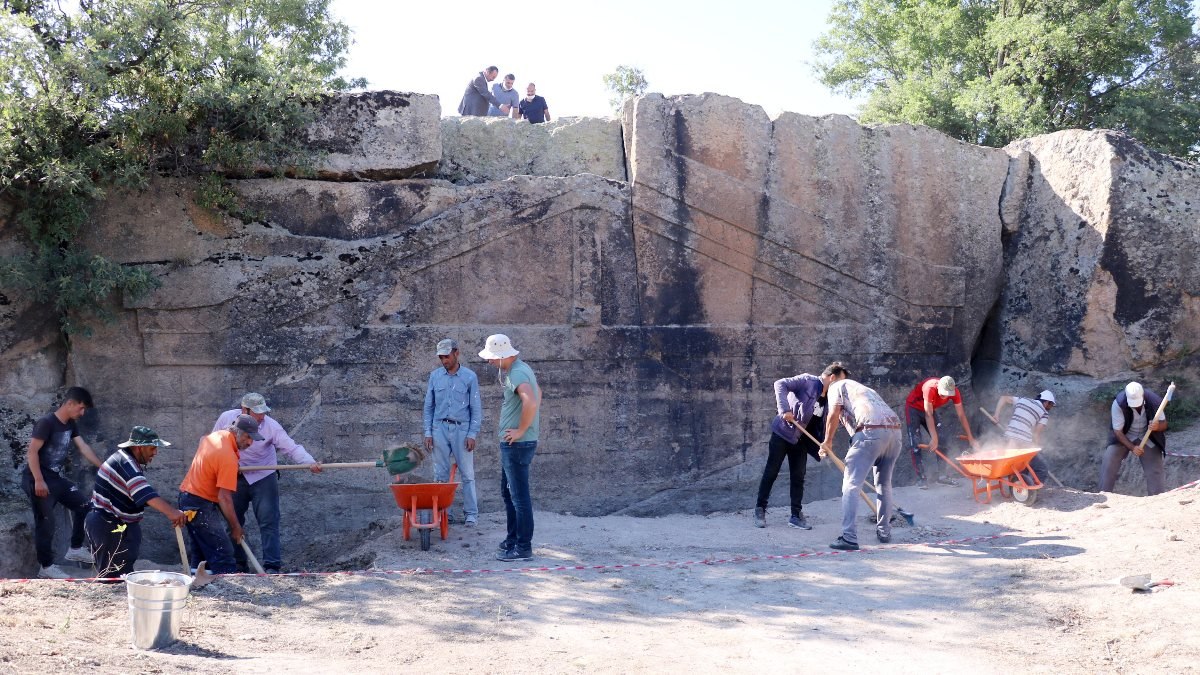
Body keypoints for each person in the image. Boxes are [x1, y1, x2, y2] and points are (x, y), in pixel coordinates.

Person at [213, 393, 320, 573]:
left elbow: (291, 447)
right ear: (244, 409)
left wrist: (309, 462)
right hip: (234, 474)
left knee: (268, 520)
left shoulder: (271, 426)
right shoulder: (226, 418)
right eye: (257, 412)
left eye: (264, 412)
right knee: (233, 520)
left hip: (263, 475)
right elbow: (215, 443)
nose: (262, 416)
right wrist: (219, 469)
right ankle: (238, 565)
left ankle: (272, 565)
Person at [818, 363, 902, 550]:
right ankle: (884, 531)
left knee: (851, 484)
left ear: (832, 377)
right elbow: (850, 422)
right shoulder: (866, 390)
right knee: (884, 484)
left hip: (871, 431)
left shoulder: (836, 386)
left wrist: (827, 442)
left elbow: (833, 414)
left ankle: (849, 537)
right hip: (895, 432)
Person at [20, 387, 102, 579]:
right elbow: (31, 452)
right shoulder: (46, 423)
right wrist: (39, 481)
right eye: (80, 408)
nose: (82, 413)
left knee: (86, 506)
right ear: (69, 403)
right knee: (46, 523)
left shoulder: (70, 424)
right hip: (37, 479)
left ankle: (74, 548)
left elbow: (83, 447)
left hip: (55, 479)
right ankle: (46, 567)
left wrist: (103, 467)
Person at [86, 426, 188, 579]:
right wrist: (173, 513)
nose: (155, 452)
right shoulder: (126, 464)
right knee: (113, 580)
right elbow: (145, 494)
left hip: (118, 523)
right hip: (108, 525)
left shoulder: (127, 460)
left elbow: (139, 494)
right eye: (152, 448)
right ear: (139, 448)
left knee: (124, 575)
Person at [479, 334, 541, 562]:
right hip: (515, 443)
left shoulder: (516, 372)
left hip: (517, 444)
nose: (490, 362)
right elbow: (538, 394)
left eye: (492, 358)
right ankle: (513, 539)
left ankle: (523, 547)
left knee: (518, 496)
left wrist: (521, 430)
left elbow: (531, 400)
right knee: (509, 493)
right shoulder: (522, 369)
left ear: (502, 355)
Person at [179, 414, 262, 574]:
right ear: (237, 432)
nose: (250, 442)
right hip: (199, 503)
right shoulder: (227, 456)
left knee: (202, 554)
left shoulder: (215, 436)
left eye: (252, 438)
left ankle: (200, 586)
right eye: (247, 437)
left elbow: (203, 441)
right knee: (223, 553)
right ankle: (227, 593)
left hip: (188, 497)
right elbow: (224, 498)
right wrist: (236, 527)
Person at [753, 372, 828, 530]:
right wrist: (784, 409)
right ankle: (760, 510)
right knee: (771, 471)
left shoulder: (830, 399)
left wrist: (825, 443)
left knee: (798, 476)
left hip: (801, 440)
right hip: (783, 432)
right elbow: (780, 384)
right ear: (832, 377)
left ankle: (795, 516)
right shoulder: (808, 381)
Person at [423, 338, 483, 526]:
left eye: (446, 356)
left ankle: (471, 514)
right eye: (441, 357)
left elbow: (476, 408)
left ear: (456, 353)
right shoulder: (435, 376)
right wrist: (428, 432)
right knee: (440, 474)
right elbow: (428, 406)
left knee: (467, 473)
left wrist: (472, 433)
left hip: (462, 429)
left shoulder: (470, 377)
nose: (444, 360)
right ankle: (443, 513)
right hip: (439, 428)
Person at [904, 375, 978, 488]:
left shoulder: (955, 392)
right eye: (943, 394)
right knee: (916, 443)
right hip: (913, 408)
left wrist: (971, 437)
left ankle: (942, 477)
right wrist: (934, 438)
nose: (944, 397)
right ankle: (922, 479)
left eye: (947, 395)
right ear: (939, 388)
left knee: (942, 439)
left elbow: (961, 415)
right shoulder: (930, 388)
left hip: (930, 409)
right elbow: (928, 415)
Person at [1100, 382, 1168, 495]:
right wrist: (1132, 447)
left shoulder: (1155, 401)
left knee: (1155, 470)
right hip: (1125, 435)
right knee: (1109, 461)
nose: (1136, 406)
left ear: (1142, 396)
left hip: (1148, 437)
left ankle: (1157, 498)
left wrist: (1157, 426)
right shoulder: (1118, 403)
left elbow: (1164, 424)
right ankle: (1103, 495)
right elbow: (1118, 431)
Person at [993, 390, 1056, 483]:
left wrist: (996, 415)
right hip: (1023, 444)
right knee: (1041, 468)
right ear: (1046, 402)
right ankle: (1031, 491)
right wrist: (1035, 449)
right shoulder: (1044, 413)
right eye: (1050, 405)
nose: (1049, 408)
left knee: (1019, 466)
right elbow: (1036, 434)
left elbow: (1004, 398)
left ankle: (1019, 489)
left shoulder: (1023, 400)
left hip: (1007, 439)